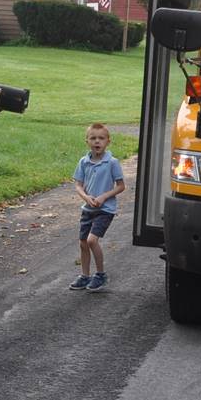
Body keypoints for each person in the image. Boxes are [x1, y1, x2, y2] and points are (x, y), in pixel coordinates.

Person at [69, 123, 127, 292]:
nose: (97, 141)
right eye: (93, 138)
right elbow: (78, 185)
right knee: (82, 243)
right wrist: (86, 197)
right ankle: (85, 276)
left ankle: (100, 274)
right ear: (87, 141)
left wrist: (103, 197)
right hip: (88, 208)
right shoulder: (84, 162)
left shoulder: (112, 162)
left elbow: (121, 186)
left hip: (105, 209)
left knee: (91, 240)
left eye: (101, 138)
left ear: (108, 141)